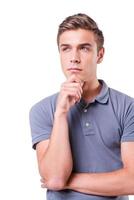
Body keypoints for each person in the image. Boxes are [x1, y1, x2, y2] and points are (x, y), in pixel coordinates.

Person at [29, 13, 134, 200]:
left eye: (84, 48)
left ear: (99, 55)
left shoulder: (127, 107)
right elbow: (54, 176)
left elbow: (132, 181)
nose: (74, 58)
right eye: (66, 49)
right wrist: (61, 113)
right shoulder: (42, 110)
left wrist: (68, 181)